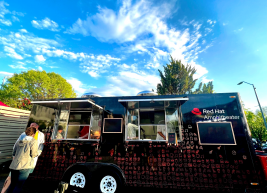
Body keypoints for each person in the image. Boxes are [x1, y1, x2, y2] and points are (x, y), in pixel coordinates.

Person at [7, 127, 38, 193]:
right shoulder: (33, 141)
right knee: (18, 185)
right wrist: (38, 152)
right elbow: (33, 154)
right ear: (34, 134)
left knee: (12, 185)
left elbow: (14, 153)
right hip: (25, 165)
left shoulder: (19, 141)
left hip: (14, 165)